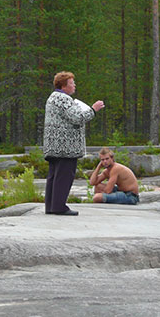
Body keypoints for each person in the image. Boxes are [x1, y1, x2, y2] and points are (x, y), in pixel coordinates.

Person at [43, 71, 105, 216]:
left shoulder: (52, 97)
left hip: (54, 146)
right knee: (64, 176)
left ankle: (51, 206)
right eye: (72, 83)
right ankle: (59, 207)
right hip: (66, 146)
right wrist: (93, 109)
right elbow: (77, 118)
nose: (74, 85)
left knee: (53, 176)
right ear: (64, 86)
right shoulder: (64, 99)